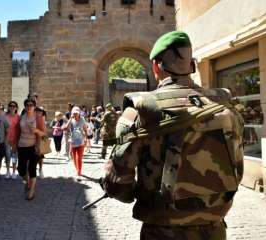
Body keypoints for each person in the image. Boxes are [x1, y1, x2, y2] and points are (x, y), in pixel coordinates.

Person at [103, 31, 244, 240]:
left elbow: (117, 182)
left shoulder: (140, 109)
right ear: (192, 66)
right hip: (214, 229)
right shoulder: (223, 105)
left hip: (162, 231)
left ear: (156, 66)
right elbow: (237, 168)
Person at [16, 99, 45, 200]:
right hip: (22, 145)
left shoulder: (38, 118)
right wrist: (15, 145)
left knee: (32, 169)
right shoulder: (21, 117)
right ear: (24, 106)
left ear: (34, 106)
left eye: (31, 105)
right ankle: (27, 182)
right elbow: (18, 132)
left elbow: (44, 134)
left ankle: (31, 191)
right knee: (21, 169)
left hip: (34, 146)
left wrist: (36, 130)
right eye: (27, 105)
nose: (29, 106)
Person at [63, 106, 87, 181]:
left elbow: (85, 129)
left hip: (81, 141)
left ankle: (79, 173)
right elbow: (66, 127)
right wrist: (70, 118)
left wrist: (86, 138)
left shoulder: (82, 119)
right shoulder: (71, 120)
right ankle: (77, 170)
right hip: (73, 141)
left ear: (79, 113)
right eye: (74, 113)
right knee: (73, 157)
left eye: (77, 113)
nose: (75, 114)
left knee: (79, 158)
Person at [5, 101, 20, 179]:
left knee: (14, 157)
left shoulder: (18, 117)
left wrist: (17, 141)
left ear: (16, 108)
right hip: (7, 140)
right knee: (7, 156)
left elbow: (19, 129)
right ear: (8, 107)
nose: (12, 107)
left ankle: (14, 171)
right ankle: (7, 171)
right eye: (10, 105)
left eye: (14, 106)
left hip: (15, 140)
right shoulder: (5, 116)